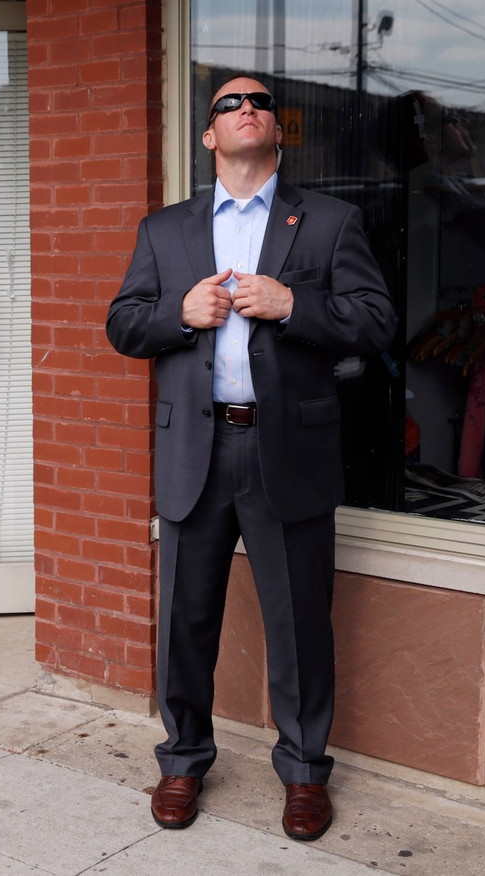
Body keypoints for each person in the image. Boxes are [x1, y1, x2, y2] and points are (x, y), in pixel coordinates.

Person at [106, 76, 395, 840]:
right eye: (228, 104)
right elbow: (123, 323)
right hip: (194, 449)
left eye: (259, 102)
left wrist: (294, 304)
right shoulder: (165, 229)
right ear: (208, 136)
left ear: (278, 130)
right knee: (185, 620)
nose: (245, 109)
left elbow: (375, 321)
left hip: (286, 450)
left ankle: (304, 774)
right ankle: (181, 760)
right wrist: (179, 314)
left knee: (298, 623)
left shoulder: (329, 221)